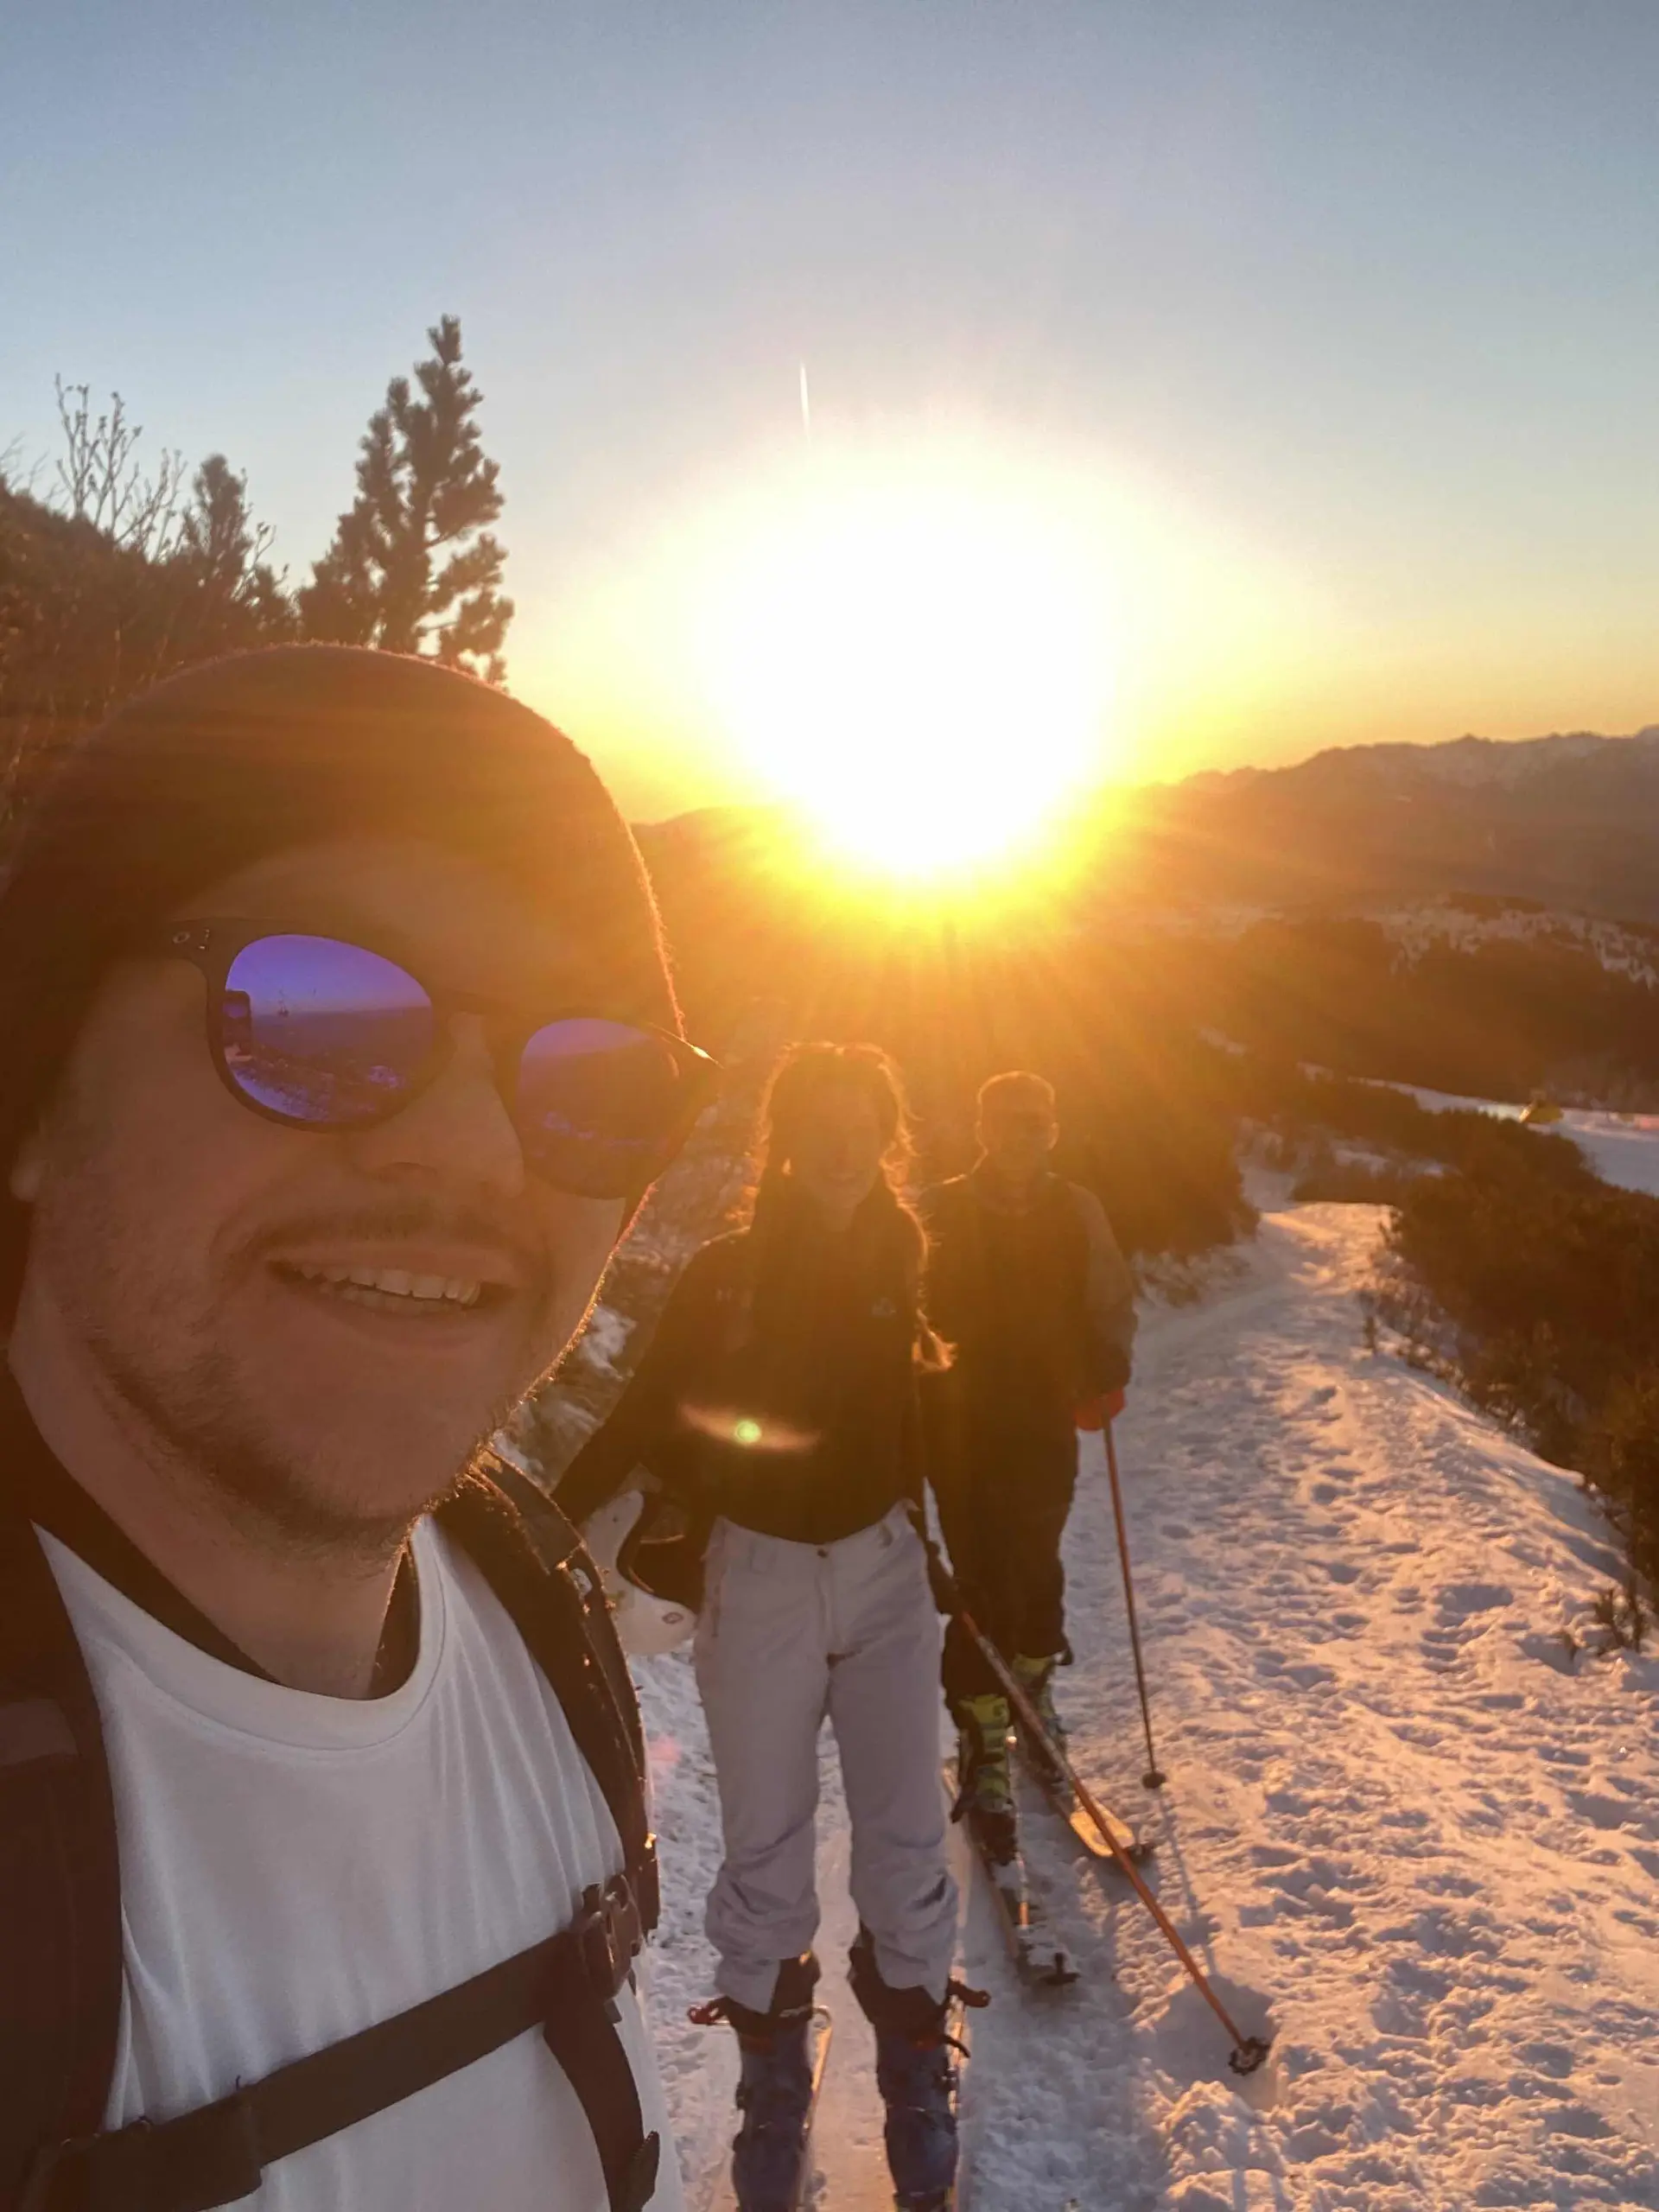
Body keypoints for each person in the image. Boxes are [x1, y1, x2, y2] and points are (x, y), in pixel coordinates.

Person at [0, 645, 717, 2212]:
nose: (470, 1149)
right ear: (37, 1093)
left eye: (589, 1078)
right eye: (315, 1018)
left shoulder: (539, 1617)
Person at [559, 1044, 963, 2212]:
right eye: (819, 1126)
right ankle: (772, 2089)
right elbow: (645, 1409)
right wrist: (543, 1525)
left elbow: (924, 1415)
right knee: (767, 1852)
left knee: (906, 1842)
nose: (842, 1148)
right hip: (760, 1579)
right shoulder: (727, 1273)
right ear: (786, 1141)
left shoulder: (905, 1251)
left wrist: (959, 1556)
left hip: (885, 1572)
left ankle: (914, 2074)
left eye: (861, 1126)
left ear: (884, 1138)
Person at [921, 1070, 1136, 1859]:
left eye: (1036, 1122)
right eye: (1008, 1120)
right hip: (958, 1427)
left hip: (1043, 1419)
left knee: (1037, 1563)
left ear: (1052, 1129)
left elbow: (1109, 1296)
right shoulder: (939, 1209)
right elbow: (907, 1308)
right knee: (981, 1577)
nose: (1023, 1135)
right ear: (982, 1128)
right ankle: (984, 1734)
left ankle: (1032, 1697)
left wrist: (1107, 1359)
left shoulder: (1077, 1208)